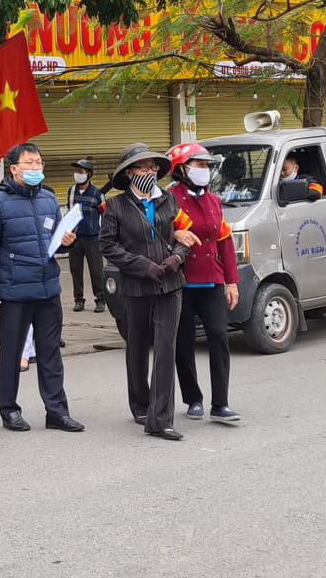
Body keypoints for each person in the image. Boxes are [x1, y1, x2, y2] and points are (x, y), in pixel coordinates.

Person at [0, 142, 83, 434]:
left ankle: (57, 412)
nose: (36, 169)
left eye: (39, 163)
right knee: (11, 352)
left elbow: (54, 243)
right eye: (30, 164)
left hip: (48, 288)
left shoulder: (48, 199)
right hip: (14, 291)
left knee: (50, 353)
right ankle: (9, 410)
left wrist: (66, 241)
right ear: (13, 169)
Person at [97, 143, 194, 441]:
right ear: (129, 173)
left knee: (165, 349)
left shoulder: (167, 200)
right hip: (136, 286)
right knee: (137, 347)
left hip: (170, 285)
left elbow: (183, 235)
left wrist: (177, 257)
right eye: (143, 167)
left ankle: (160, 419)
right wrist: (142, 266)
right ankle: (140, 404)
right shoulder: (114, 206)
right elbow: (108, 246)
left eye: (153, 167)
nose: (150, 172)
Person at [166, 144, 242, 425]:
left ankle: (220, 403)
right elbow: (156, 231)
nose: (204, 171)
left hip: (212, 280)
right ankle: (193, 399)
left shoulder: (213, 200)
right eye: (197, 165)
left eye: (206, 166)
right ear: (181, 169)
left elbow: (224, 241)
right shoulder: (168, 199)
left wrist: (231, 281)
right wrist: (174, 230)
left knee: (219, 337)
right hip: (182, 281)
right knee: (183, 343)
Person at [66, 158, 107, 313]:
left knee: (96, 271)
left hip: (93, 238)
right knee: (75, 270)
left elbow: (106, 215)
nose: (78, 174)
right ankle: (79, 300)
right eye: (76, 171)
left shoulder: (97, 194)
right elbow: (69, 212)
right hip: (75, 238)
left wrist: (104, 235)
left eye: (81, 171)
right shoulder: (71, 191)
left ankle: (100, 299)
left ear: (88, 174)